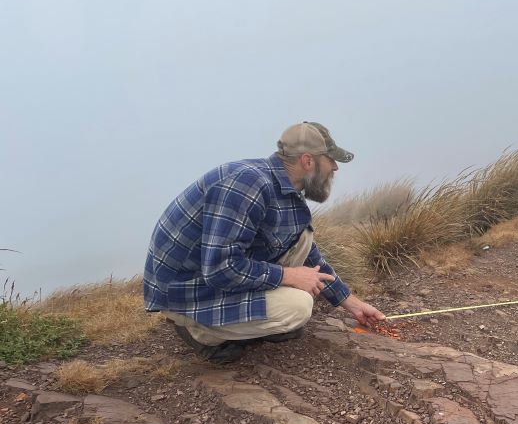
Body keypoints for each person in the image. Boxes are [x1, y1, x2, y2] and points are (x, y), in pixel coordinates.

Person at [144, 121, 386, 363]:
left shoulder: (282, 189)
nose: (335, 167)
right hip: (186, 289)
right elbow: (219, 268)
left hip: (210, 274)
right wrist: (289, 276)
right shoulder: (247, 184)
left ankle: (254, 321)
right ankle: (200, 331)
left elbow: (308, 253)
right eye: (330, 160)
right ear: (308, 161)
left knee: (303, 238)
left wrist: (352, 303)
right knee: (298, 307)